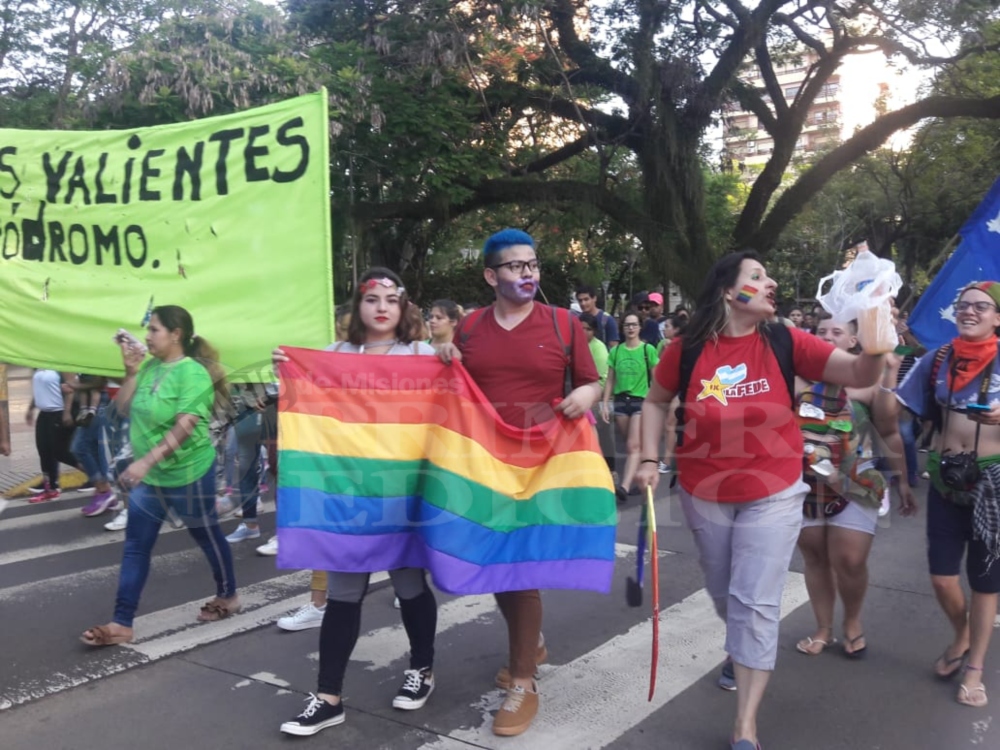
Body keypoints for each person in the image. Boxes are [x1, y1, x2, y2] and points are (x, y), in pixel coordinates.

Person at [634, 251, 888, 750]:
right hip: (705, 491)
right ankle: (741, 646)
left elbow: (860, 373)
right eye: (758, 276)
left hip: (774, 491)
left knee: (756, 601)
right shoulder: (686, 349)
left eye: (767, 276)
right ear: (729, 292)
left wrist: (877, 329)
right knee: (725, 592)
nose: (770, 282)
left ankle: (744, 726)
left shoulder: (784, 339)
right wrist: (646, 457)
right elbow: (655, 401)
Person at [437, 228, 600, 737]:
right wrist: (443, 354)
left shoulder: (563, 323)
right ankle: (532, 644)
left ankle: (523, 683)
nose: (528, 273)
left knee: (519, 568)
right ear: (491, 275)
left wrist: (588, 395)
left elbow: (592, 380)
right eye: (515, 266)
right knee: (495, 564)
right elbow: (445, 381)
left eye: (532, 265)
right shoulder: (470, 328)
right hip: (482, 465)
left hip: (543, 462)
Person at [277, 267, 440, 736]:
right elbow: (309, 408)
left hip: (403, 495)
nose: (381, 307)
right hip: (349, 497)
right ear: (358, 306)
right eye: (371, 299)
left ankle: (422, 669)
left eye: (391, 299)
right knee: (343, 594)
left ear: (403, 306)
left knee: (409, 585)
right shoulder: (334, 355)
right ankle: (328, 697)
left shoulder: (423, 355)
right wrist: (287, 369)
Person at [80, 305, 239, 646]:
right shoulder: (151, 367)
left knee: (206, 535)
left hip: (189, 474)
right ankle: (122, 623)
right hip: (152, 479)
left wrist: (144, 463)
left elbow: (185, 426)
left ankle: (228, 595)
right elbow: (122, 408)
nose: (147, 336)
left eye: (154, 329)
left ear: (175, 334)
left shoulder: (192, 373)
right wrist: (130, 372)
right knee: (136, 547)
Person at [896, 281, 1000, 709]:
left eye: (981, 306)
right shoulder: (938, 359)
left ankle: (974, 667)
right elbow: (900, 409)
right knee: (942, 577)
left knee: (985, 581)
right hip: (944, 478)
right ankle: (963, 633)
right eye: (964, 304)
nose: (969, 311)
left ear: (997, 317)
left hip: (993, 485)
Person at [794, 316, 916, 660]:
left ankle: (851, 621)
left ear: (853, 341)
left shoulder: (871, 382)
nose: (827, 337)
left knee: (849, 560)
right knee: (815, 557)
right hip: (804, 487)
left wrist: (903, 480)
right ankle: (823, 628)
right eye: (821, 331)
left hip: (855, 485)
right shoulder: (797, 379)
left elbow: (890, 431)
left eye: (837, 332)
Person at [602, 312, 658, 502]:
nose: (631, 328)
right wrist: (605, 402)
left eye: (634, 324)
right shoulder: (616, 351)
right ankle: (642, 474)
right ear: (622, 328)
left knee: (633, 445)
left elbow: (657, 378)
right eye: (627, 325)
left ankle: (624, 487)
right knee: (632, 444)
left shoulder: (648, 350)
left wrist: (658, 404)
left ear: (640, 327)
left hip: (641, 400)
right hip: (620, 400)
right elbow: (610, 379)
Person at [25, 369, 81, 502]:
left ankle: (96, 477)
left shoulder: (61, 366)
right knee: (44, 451)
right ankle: (50, 488)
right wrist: (31, 408)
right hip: (44, 414)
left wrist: (67, 412)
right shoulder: (37, 367)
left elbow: (71, 389)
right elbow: (39, 389)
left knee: (62, 453)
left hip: (58, 413)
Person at [70, 374, 118, 517]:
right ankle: (104, 490)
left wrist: (78, 386)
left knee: (80, 447)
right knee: (92, 449)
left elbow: (99, 381)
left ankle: (103, 490)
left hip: (102, 402)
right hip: (100, 402)